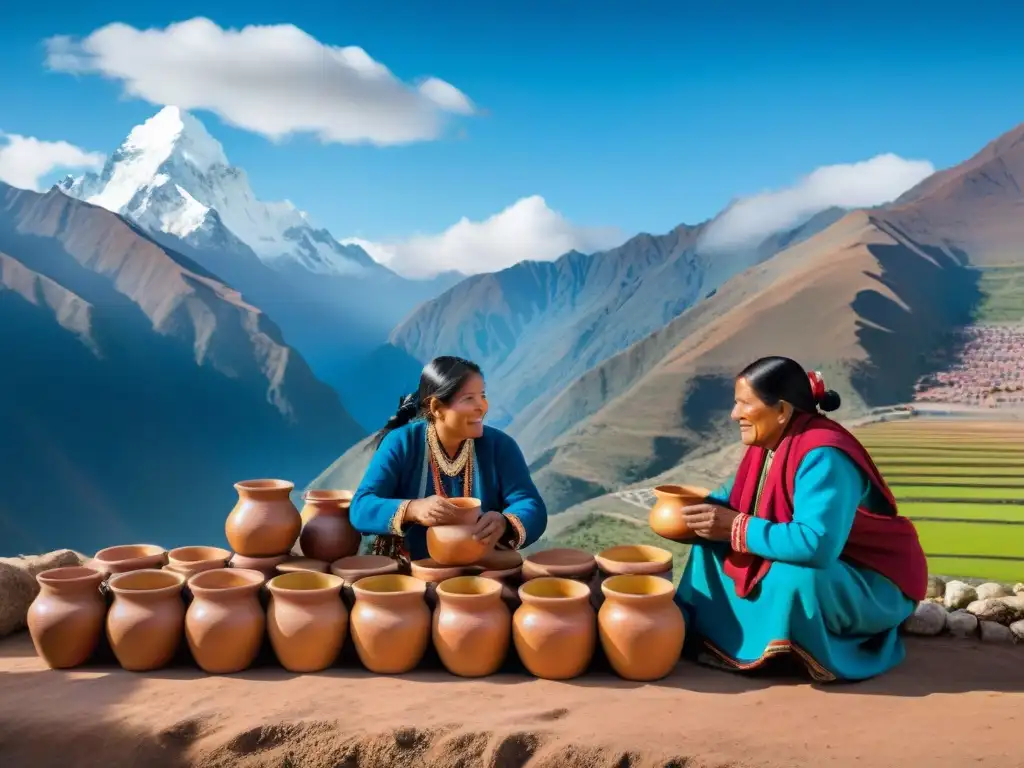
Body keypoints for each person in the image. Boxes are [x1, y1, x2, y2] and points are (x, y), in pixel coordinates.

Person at [674, 356, 928, 682]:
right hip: (829, 561)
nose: (734, 414)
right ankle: (714, 637)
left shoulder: (825, 455)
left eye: (743, 404)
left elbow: (816, 544)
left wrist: (734, 527)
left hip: (872, 579)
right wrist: (692, 511)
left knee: (797, 580)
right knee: (709, 550)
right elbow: (733, 499)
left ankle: (788, 648)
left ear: (781, 410)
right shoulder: (767, 445)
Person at [349, 355, 547, 564]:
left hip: (482, 570)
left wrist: (505, 523)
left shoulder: (500, 447)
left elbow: (530, 503)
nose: (482, 406)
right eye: (469, 399)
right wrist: (413, 509)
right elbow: (361, 507)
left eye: (482, 395)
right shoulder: (402, 443)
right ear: (436, 408)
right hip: (414, 572)